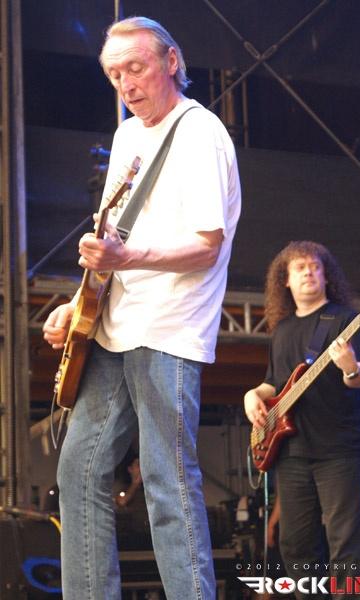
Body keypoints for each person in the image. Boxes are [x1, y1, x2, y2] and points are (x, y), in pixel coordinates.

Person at [43, 15, 241, 600]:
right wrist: (75, 303)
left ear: (171, 61)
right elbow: (113, 238)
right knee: (77, 470)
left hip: (168, 329)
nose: (125, 84)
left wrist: (126, 258)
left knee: (166, 481)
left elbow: (207, 247)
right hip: (112, 326)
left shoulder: (200, 133)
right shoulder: (128, 135)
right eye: (113, 74)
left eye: (135, 67)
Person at [244, 241, 360, 599]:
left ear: (326, 276)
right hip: (291, 451)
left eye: (315, 267)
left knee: (345, 543)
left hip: (338, 448)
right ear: (285, 280)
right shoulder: (282, 330)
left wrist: (349, 368)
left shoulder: (346, 320)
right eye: (299, 268)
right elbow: (274, 383)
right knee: (296, 545)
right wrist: (252, 395)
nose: (308, 273)